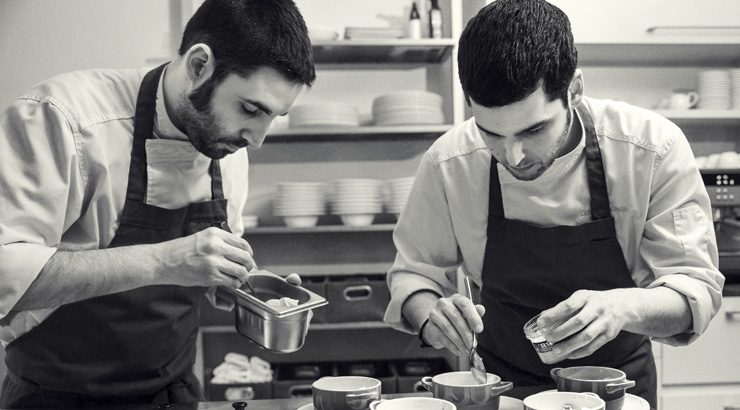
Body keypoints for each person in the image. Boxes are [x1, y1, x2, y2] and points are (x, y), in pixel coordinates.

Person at [383, 0, 724, 406]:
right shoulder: (449, 162)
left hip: (615, 389)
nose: (513, 157)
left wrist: (622, 307)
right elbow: (413, 275)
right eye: (490, 133)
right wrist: (431, 314)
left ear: (574, 90)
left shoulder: (651, 148)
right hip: (499, 389)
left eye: (534, 130)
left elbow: (694, 290)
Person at [0, 0, 315, 407]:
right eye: (251, 109)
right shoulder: (64, 120)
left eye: (274, 117)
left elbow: (201, 274)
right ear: (200, 66)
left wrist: (245, 287)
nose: (257, 139)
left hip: (173, 394)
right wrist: (164, 261)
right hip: (56, 397)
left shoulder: (228, 146)